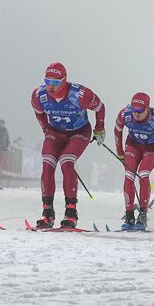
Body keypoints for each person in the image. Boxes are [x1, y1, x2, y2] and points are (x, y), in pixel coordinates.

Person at [31, 62, 106, 229]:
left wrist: (99, 128)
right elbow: (39, 112)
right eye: (47, 81)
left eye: (55, 82)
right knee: (47, 164)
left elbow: (100, 107)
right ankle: (47, 212)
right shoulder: (39, 95)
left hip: (78, 132)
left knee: (66, 161)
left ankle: (71, 212)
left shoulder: (80, 94)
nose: (50, 86)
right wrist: (46, 131)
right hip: (55, 132)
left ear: (64, 81)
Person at [114, 92, 154, 231]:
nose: (136, 113)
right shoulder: (125, 114)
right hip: (133, 145)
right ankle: (129, 215)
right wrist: (119, 151)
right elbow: (117, 130)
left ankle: (142, 215)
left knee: (143, 174)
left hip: (152, 147)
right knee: (129, 176)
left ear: (147, 108)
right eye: (134, 109)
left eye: (140, 111)